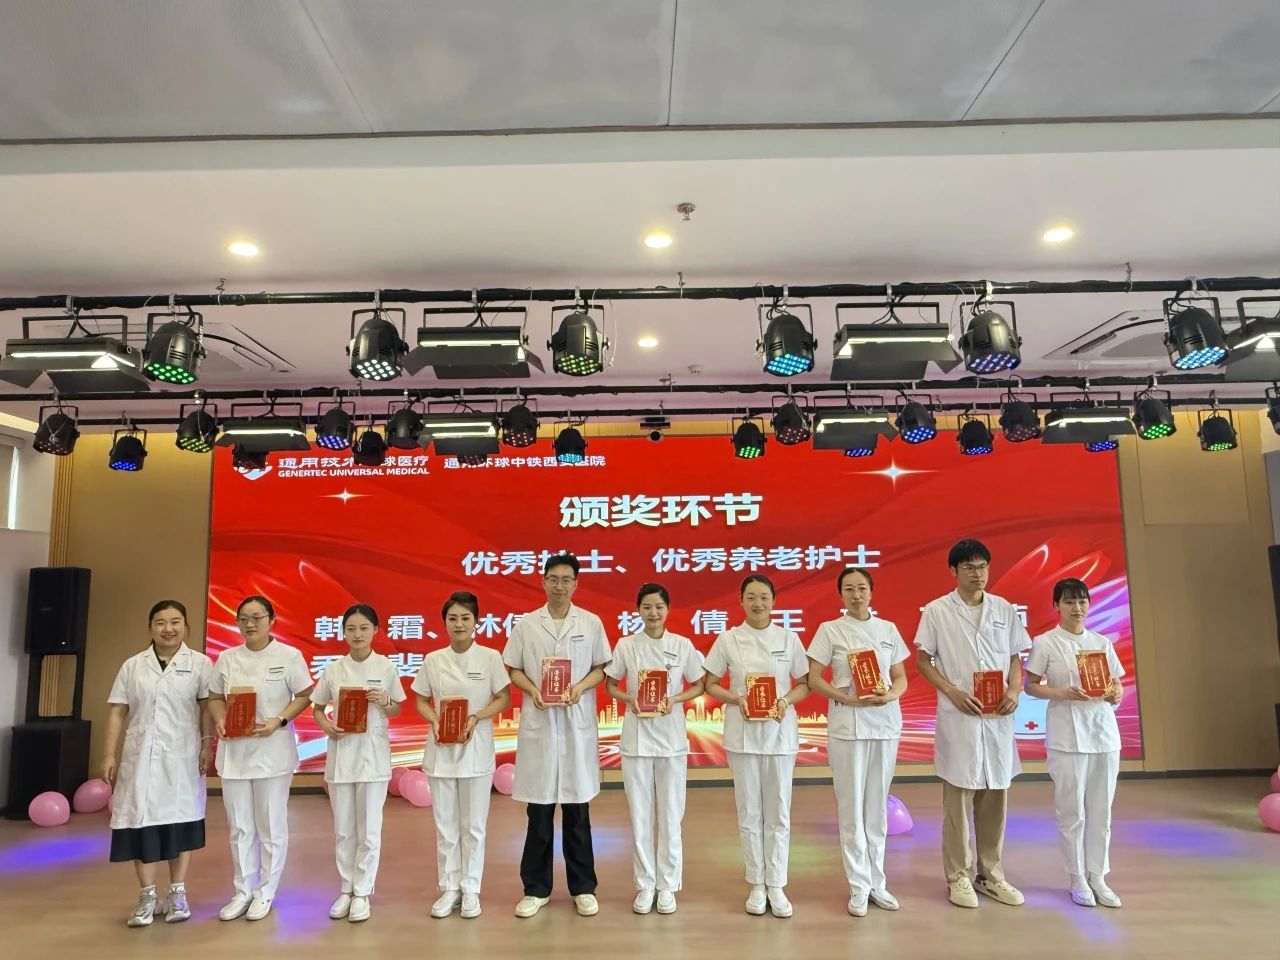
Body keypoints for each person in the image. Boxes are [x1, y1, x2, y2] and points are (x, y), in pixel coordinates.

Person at [915, 539, 1029, 910]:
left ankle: (991, 874)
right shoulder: (937, 610)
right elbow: (923, 660)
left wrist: (1014, 689)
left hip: (998, 716)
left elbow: (1015, 657)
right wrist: (952, 691)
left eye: (982, 567)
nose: (977, 574)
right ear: (954, 571)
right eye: (969, 567)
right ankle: (958, 876)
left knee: (996, 795)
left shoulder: (1003, 608)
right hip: (960, 714)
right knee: (958, 799)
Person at [503, 552, 612, 918]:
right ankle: (536, 889)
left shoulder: (591, 622)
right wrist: (533, 690)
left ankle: (583, 887)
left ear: (576, 584)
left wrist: (579, 687)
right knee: (539, 814)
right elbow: (514, 669)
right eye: (554, 579)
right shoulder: (527, 624)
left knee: (578, 812)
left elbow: (601, 668)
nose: (560, 586)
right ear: (543, 581)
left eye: (566, 579)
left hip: (575, 725)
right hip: (541, 724)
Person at [101, 600, 214, 927]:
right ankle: (147, 896)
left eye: (175, 621)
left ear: (186, 626)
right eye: (161, 622)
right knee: (141, 823)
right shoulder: (133, 666)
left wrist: (207, 744)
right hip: (140, 757)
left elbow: (206, 707)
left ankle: (178, 893)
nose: (168, 629)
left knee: (180, 822)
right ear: (150, 627)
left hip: (182, 756)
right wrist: (109, 753)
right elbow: (117, 710)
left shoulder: (200, 663)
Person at [704, 574, 809, 918]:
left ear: (774, 601)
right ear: (741, 601)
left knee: (778, 811)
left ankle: (776, 883)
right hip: (743, 735)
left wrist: (785, 701)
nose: (758, 603)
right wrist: (736, 698)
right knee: (749, 812)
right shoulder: (728, 639)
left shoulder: (788, 638)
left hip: (779, 734)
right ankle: (756, 883)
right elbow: (710, 683)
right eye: (751, 597)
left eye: (764, 597)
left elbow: (804, 683)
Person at [807, 567, 910, 917]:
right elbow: (814, 678)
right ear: (841, 594)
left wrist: (890, 695)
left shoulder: (888, 629)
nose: (856, 595)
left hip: (884, 724)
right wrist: (846, 698)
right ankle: (858, 885)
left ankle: (878, 882)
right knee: (851, 808)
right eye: (849, 589)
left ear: (871, 592)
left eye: (862, 588)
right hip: (847, 726)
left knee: (877, 806)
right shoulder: (830, 630)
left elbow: (900, 677)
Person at [208, 595, 315, 921]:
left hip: (272, 753)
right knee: (240, 827)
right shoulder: (227, 658)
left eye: (256, 617)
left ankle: (266, 890)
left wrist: (279, 720)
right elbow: (215, 697)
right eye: (243, 618)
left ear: (271, 620)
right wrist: (220, 719)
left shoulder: (288, 656)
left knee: (270, 825)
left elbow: (305, 695)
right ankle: (242, 890)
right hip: (235, 753)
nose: (249, 624)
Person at [603, 583, 705, 915]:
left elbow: (700, 684)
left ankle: (668, 885)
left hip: (671, 740)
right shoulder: (626, 645)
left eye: (659, 606)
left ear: (668, 609)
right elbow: (610, 684)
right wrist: (629, 698)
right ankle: (645, 884)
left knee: (671, 815)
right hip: (637, 741)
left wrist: (675, 699)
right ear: (638, 610)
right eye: (647, 606)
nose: (653, 612)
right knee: (640, 816)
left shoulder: (682, 645)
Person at [1024, 578, 1126, 909]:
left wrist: (1116, 693)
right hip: (1067, 736)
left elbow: (1116, 683)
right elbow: (1030, 685)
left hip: (1103, 734)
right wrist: (1062, 693)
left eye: (1082, 601)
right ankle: (1077, 876)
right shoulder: (1045, 642)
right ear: (1056, 606)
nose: (1077, 608)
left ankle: (1098, 875)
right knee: (1072, 811)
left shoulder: (1101, 642)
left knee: (1101, 810)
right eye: (1069, 601)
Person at [412, 591, 511, 919]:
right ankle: (449, 888)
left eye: (465, 618)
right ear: (444, 623)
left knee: (474, 826)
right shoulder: (433, 660)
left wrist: (476, 717)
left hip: (475, 748)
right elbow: (421, 699)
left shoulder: (490, 657)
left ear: (476, 622)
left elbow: (504, 698)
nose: (459, 624)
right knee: (445, 825)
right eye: (452, 618)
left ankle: (471, 889)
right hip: (441, 750)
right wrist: (434, 720)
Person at [310, 603, 405, 923]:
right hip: (342, 754)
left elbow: (397, 709)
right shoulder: (334, 669)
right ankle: (346, 888)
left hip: (373, 757)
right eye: (351, 628)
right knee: (344, 829)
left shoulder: (386, 666)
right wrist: (327, 727)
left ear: (375, 630)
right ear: (343, 633)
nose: (357, 634)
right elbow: (317, 708)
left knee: (369, 829)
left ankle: (363, 892)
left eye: (364, 628)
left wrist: (385, 701)